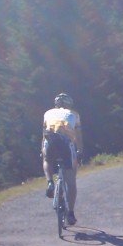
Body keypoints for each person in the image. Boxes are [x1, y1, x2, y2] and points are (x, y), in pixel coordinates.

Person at [42, 93, 83, 225]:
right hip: (66, 142)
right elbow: (78, 136)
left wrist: (42, 150)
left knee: (47, 160)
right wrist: (80, 151)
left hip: (50, 140)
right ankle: (70, 213)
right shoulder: (74, 114)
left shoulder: (47, 113)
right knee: (71, 182)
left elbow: (44, 134)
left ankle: (49, 182)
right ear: (68, 104)